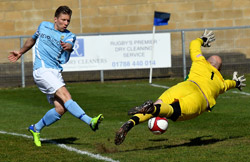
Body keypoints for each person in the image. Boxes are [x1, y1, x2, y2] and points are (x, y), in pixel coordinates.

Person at [114, 30, 246, 145]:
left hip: (186, 86)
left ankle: (130, 123)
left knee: (159, 104)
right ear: (220, 69)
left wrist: (202, 40)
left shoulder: (200, 61)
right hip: (200, 98)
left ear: (208, 60)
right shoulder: (220, 81)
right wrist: (237, 83)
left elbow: (193, 44)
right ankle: (152, 108)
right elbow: (230, 84)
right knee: (172, 111)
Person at [8, 6, 104, 147]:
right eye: (63, 20)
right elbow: (33, 39)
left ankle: (36, 128)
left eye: (68, 21)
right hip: (42, 70)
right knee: (66, 96)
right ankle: (90, 121)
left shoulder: (70, 36)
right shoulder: (43, 26)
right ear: (55, 19)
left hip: (55, 72)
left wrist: (68, 47)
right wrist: (21, 52)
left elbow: (70, 45)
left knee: (61, 108)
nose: (66, 23)